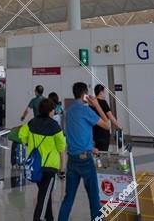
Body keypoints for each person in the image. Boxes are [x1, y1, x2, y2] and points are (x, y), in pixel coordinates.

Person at [56, 82, 109, 221]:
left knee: (68, 198)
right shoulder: (86, 110)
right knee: (94, 198)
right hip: (85, 161)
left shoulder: (69, 111)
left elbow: (76, 133)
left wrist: (90, 147)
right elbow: (107, 125)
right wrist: (97, 105)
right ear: (85, 95)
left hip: (72, 159)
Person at [18, 98, 67, 221]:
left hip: (36, 166)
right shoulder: (55, 126)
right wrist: (62, 168)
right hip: (49, 168)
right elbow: (62, 149)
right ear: (50, 111)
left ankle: (49, 218)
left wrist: (29, 144)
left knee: (45, 195)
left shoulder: (31, 122)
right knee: (43, 197)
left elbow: (21, 135)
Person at [92, 84, 122, 153]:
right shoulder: (103, 102)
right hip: (103, 133)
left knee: (96, 154)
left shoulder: (92, 103)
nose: (105, 94)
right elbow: (111, 117)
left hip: (94, 134)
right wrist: (119, 126)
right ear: (101, 92)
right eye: (104, 92)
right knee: (103, 154)